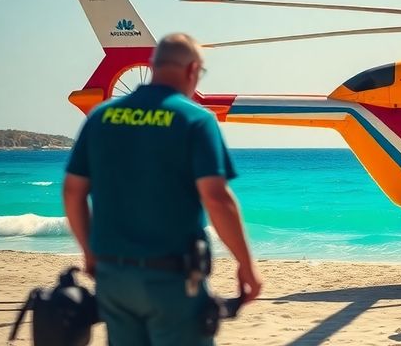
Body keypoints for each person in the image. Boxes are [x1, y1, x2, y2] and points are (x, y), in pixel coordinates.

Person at [62, 33, 262, 345]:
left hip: (114, 276)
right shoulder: (196, 120)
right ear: (192, 69)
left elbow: (73, 191)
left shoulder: (102, 117)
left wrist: (89, 251)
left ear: (153, 66)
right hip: (171, 279)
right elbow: (216, 197)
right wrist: (245, 264)